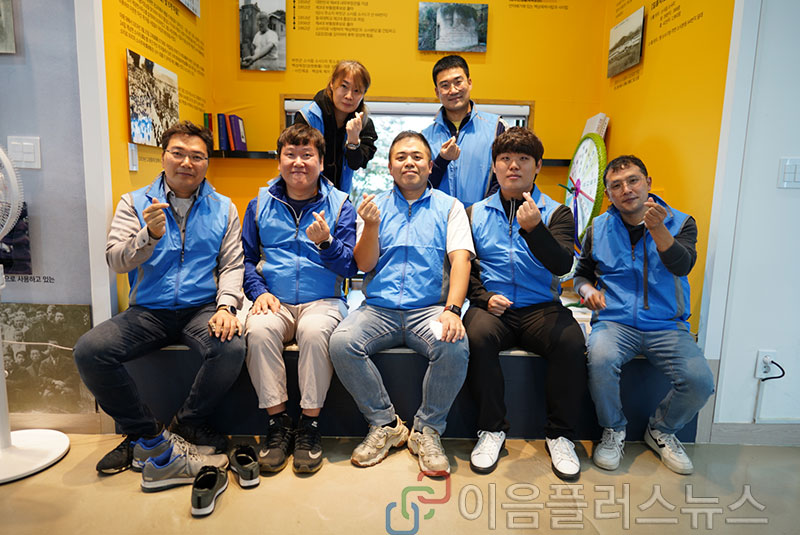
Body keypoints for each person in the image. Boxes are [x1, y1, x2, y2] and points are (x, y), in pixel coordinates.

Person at [73, 120, 246, 474]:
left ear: (207, 163)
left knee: (231, 347)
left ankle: (186, 426)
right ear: (164, 156)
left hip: (201, 309)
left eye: (197, 156)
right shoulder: (134, 202)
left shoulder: (224, 207)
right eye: (178, 153)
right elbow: (116, 260)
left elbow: (232, 264)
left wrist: (226, 306)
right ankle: (146, 435)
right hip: (148, 311)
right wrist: (148, 236)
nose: (187, 163)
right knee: (90, 351)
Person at [328, 131, 473, 476]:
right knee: (341, 342)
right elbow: (364, 264)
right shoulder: (373, 206)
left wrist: (453, 310)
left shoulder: (450, 207)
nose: (409, 162)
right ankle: (385, 424)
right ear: (390, 167)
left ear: (430, 165)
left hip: (429, 309)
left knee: (454, 344)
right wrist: (371, 226)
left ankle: (427, 430)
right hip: (379, 309)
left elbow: (461, 260)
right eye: (401, 157)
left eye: (417, 157)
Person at [574, 155, 715, 475]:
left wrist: (658, 229)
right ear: (608, 194)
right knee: (600, 359)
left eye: (633, 180)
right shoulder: (598, 228)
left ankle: (662, 430)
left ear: (648, 183)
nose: (626, 189)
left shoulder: (680, 222)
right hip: (614, 321)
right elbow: (581, 274)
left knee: (700, 381)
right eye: (616, 185)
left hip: (667, 325)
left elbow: (682, 265)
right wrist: (587, 290)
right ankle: (613, 430)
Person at [464, 127, 587, 480]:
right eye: (505, 159)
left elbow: (562, 265)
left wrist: (535, 229)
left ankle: (560, 435)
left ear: (538, 166)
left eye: (523, 159)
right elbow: (463, 268)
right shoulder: (474, 212)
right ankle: (491, 430)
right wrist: (484, 298)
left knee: (571, 341)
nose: (513, 166)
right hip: (493, 307)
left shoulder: (557, 212)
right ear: (495, 166)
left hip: (540, 306)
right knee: (477, 337)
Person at [241, 124, 357, 474]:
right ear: (279, 161)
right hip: (273, 299)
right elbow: (245, 259)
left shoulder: (341, 205)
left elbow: (351, 266)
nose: (298, 162)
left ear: (321, 162)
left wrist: (326, 243)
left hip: (323, 299)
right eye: (290, 155)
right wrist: (259, 292)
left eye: (307, 155)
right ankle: (277, 424)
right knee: (258, 331)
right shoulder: (259, 204)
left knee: (314, 332)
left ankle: (310, 425)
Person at [422, 55, 506, 207]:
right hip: (439, 219)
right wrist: (442, 160)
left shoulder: (497, 128)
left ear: (469, 82)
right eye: (445, 85)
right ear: (437, 92)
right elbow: (420, 185)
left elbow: (506, 178)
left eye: (458, 82)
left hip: (486, 217)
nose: (453, 90)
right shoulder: (425, 137)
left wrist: (480, 213)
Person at [294, 60, 378, 194]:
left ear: (363, 94)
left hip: (340, 197)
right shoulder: (308, 116)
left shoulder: (364, 123)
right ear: (332, 84)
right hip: (305, 194)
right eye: (344, 86)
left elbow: (355, 164)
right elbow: (297, 159)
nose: (349, 96)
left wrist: (353, 141)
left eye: (357, 91)